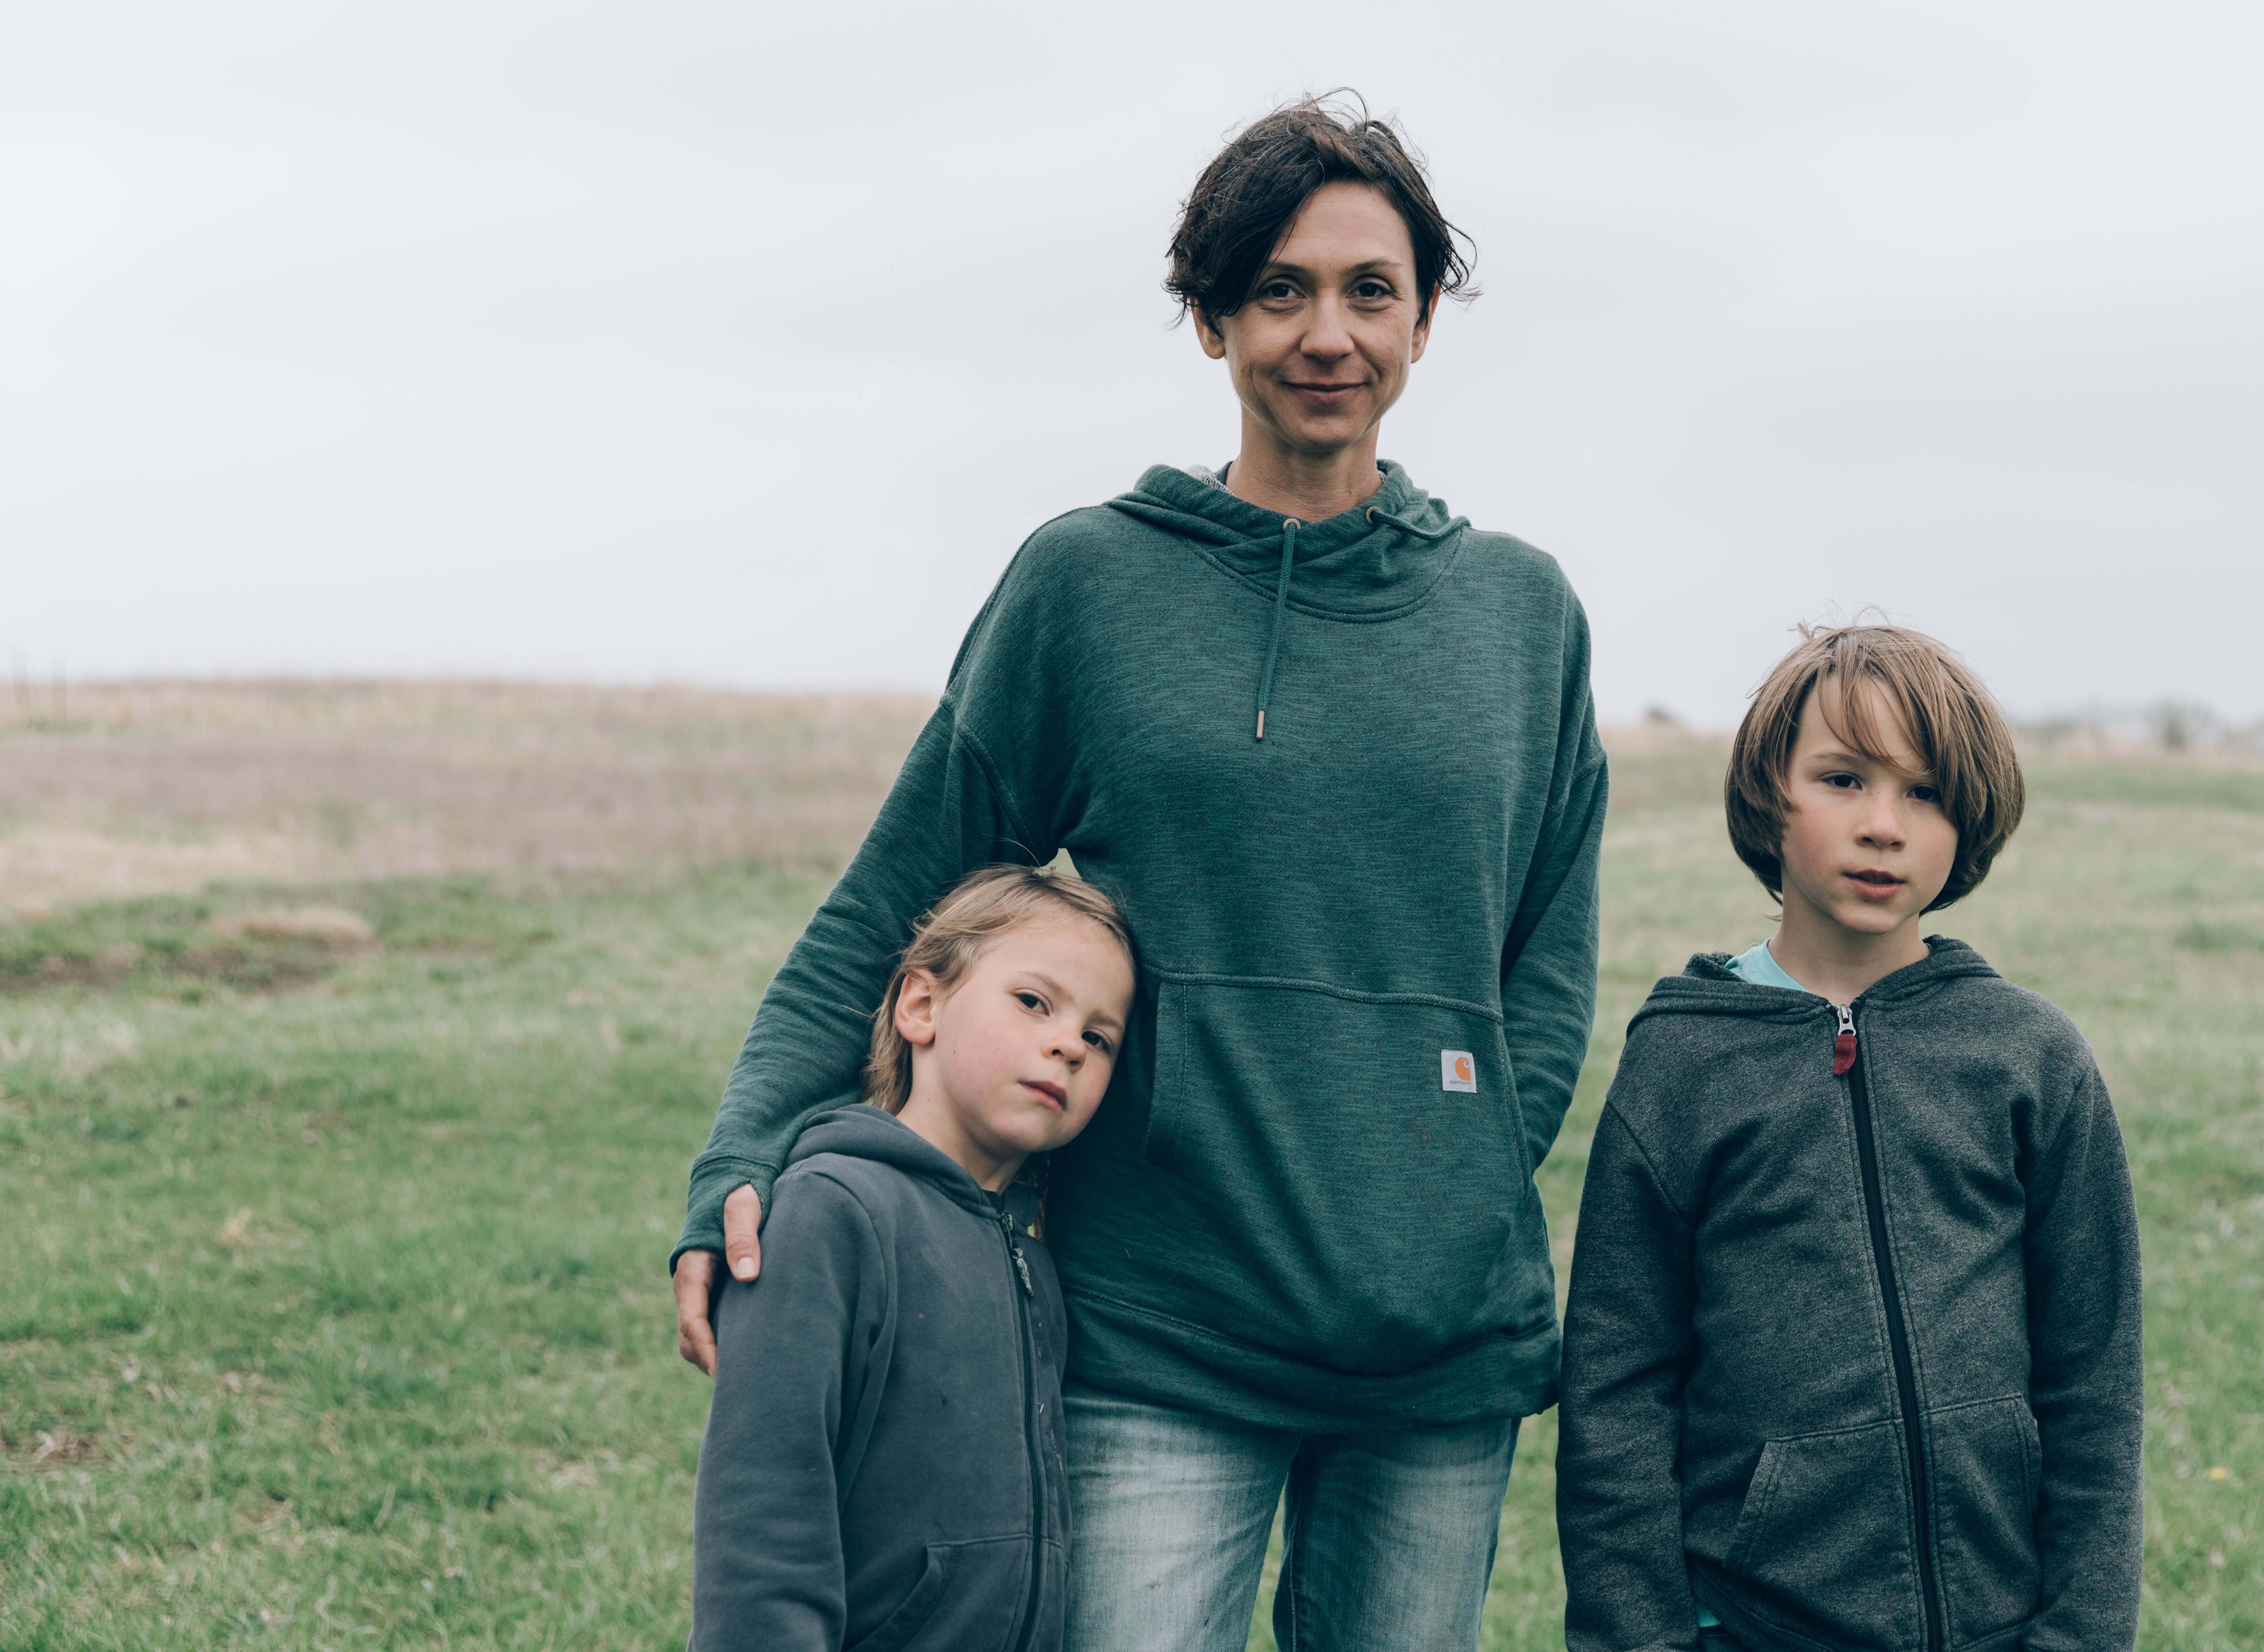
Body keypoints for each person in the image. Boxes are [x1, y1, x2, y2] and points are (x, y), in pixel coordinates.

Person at [671, 95, 1608, 1652]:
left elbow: (1549, 970)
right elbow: (892, 898)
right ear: (1208, 318)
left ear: (1426, 322)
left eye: (1372, 290)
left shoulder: (1521, 615)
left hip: (1439, 1360)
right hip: (1158, 1328)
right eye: (1279, 289)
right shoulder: (1090, 587)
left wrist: (1437, 1187)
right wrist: (739, 1163)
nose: (1327, 331)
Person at [1556, 625, 2143, 1652]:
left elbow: (2095, 1385)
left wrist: (2080, 1633)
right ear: (1766, 801)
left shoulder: (2028, 1056)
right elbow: (1617, 1391)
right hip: (1749, 1624)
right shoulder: (1685, 1060)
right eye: (1843, 779)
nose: (1885, 825)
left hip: (1995, 1626)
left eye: (1926, 793)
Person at [688, 865, 1135, 1652]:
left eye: (1099, 1038)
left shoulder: (1039, 1261)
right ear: (921, 1006)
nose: (1067, 1044)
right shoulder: (829, 1211)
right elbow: (762, 1509)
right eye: (1034, 1002)